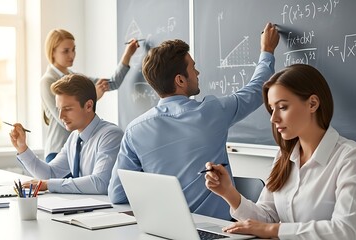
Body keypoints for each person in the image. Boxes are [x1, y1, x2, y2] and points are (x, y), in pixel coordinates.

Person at [108, 22, 279, 220]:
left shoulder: (134, 130)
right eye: (193, 67)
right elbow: (256, 90)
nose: (198, 73)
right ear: (180, 80)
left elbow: (117, 194)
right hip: (216, 229)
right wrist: (267, 51)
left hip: (166, 230)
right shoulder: (211, 112)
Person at [204, 64, 356, 239]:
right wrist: (228, 192)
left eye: (282, 107)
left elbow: (346, 231)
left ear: (312, 104)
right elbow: (266, 218)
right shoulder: (284, 156)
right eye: (271, 109)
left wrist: (273, 230)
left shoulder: (351, 157)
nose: (273, 118)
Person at [9, 74, 123, 194]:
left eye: (67, 109)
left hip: (107, 210)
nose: (61, 116)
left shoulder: (110, 135)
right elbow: (50, 173)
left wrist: (48, 184)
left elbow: (100, 183)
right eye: (59, 109)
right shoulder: (74, 137)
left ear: (88, 105)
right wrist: (22, 148)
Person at [41, 29, 139, 162]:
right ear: (52, 52)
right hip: (58, 150)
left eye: (73, 49)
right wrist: (93, 97)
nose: (72, 55)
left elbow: (112, 83)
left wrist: (128, 54)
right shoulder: (47, 81)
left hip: (78, 149)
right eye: (66, 51)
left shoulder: (75, 78)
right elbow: (64, 120)